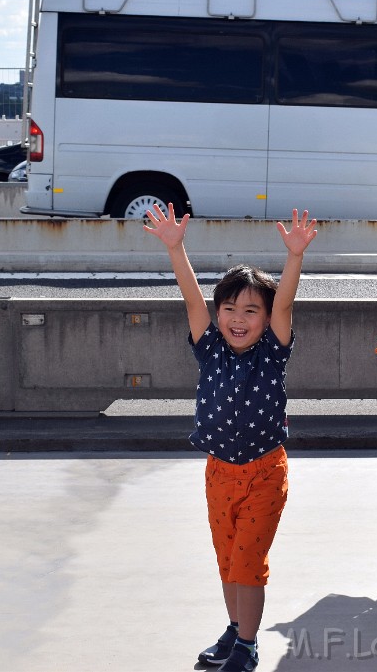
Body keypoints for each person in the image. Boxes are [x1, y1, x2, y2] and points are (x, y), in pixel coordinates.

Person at [145, 204, 318, 672]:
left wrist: (294, 257)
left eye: (250, 311)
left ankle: (247, 644)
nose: (238, 319)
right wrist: (175, 248)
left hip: (264, 471)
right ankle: (234, 630)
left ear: (265, 319)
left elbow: (284, 302)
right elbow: (190, 299)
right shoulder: (210, 347)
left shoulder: (273, 351)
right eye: (229, 309)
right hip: (219, 470)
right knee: (227, 562)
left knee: (248, 562)